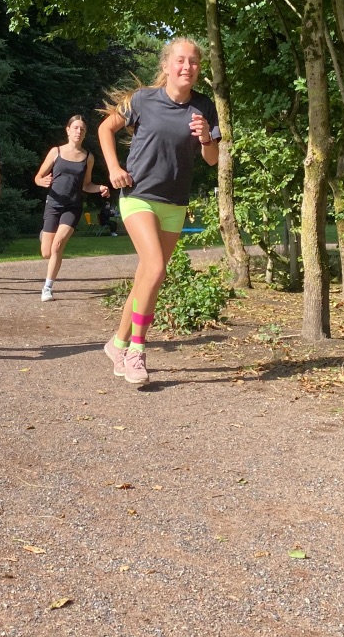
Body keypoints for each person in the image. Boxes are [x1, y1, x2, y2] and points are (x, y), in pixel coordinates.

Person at [98, 40, 220, 385]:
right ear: (166, 66)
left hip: (175, 203)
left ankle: (117, 343)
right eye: (180, 61)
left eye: (193, 62)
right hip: (138, 195)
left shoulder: (204, 106)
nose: (187, 67)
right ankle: (136, 350)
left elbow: (212, 159)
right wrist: (113, 168)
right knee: (155, 268)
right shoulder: (143, 100)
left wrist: (206, 139)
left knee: (147, 277)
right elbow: (106, 128)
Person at [33, 115, 110, 302]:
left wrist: (100, 187)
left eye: (82, 129)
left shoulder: (88, 157)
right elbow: (38, 177)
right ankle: (45, 235)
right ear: (68, 130)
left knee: (58, 245)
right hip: (53, 204)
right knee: (47, 252)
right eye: (75, 128)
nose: (78, 131)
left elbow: (86, 185)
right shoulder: (56, 152)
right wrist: (42, 181)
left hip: (73, 207)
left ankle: (47, 288)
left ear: (85, 133)